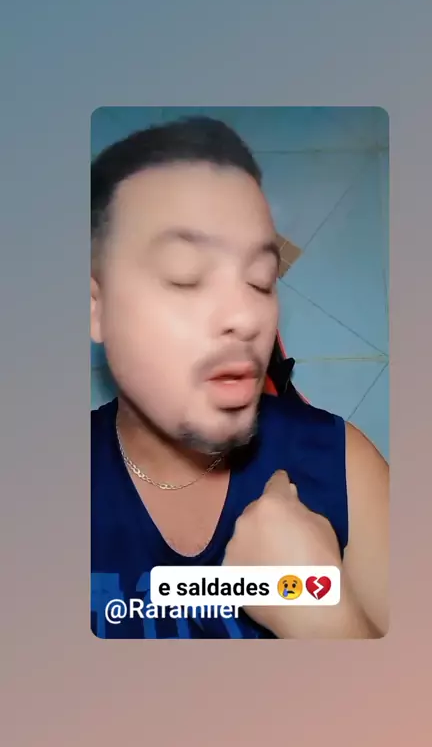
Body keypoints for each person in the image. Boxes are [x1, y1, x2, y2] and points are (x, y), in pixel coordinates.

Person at [91, 116, 389, 639]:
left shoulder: (342, 463)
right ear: (95, 307)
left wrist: (325, 617)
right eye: (185, 275)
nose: (248, 317)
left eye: (261, 280)